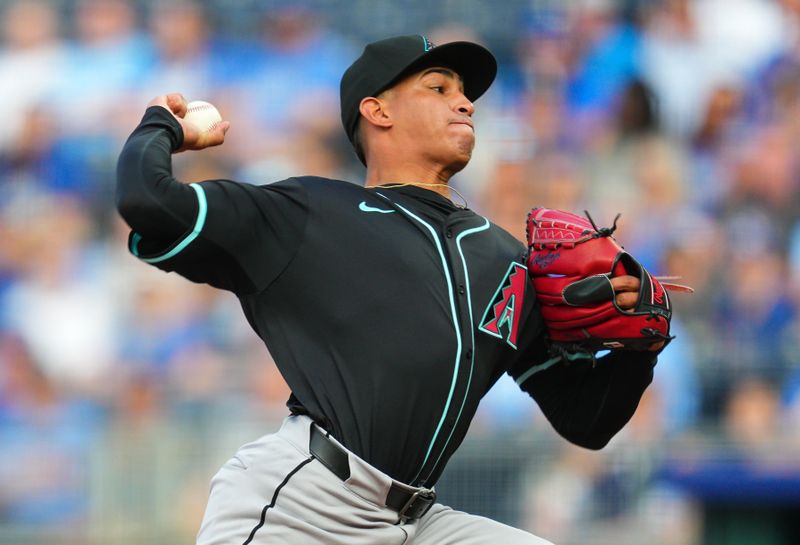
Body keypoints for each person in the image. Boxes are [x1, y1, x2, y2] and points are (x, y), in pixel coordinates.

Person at [116, 34, 662, 545]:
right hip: (302, 505)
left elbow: (587, 422)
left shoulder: (505, 261)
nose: (465, 103)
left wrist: (638, 348)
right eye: (439, 87)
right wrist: (162, 127)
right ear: (377, 111)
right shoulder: (308, 214)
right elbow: (149, 202)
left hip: (415, 523)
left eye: (466, 93)